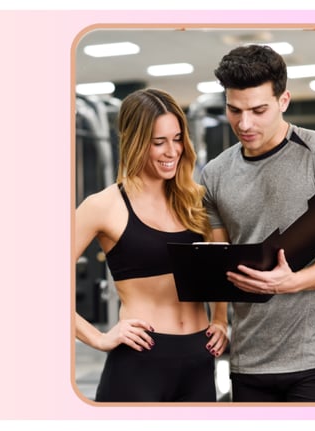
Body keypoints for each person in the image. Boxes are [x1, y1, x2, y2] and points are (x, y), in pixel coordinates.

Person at [199, 44, 315, 402]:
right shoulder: (216, 174)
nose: (244, 123)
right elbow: (220, 258)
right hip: (248, 363)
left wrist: (293, 282)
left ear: (283, 101)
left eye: (258, 110)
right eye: (234, 110)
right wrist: (219, 319)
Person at [75, 88, 229, 402]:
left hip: (200, 358)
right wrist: (99, 337)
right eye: (159, 142)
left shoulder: (198, 201)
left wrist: (220, 319)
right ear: (133, 142)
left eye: (177, 139)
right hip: (140, 360)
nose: (172, 151)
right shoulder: (103, 206)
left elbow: (219, 263)